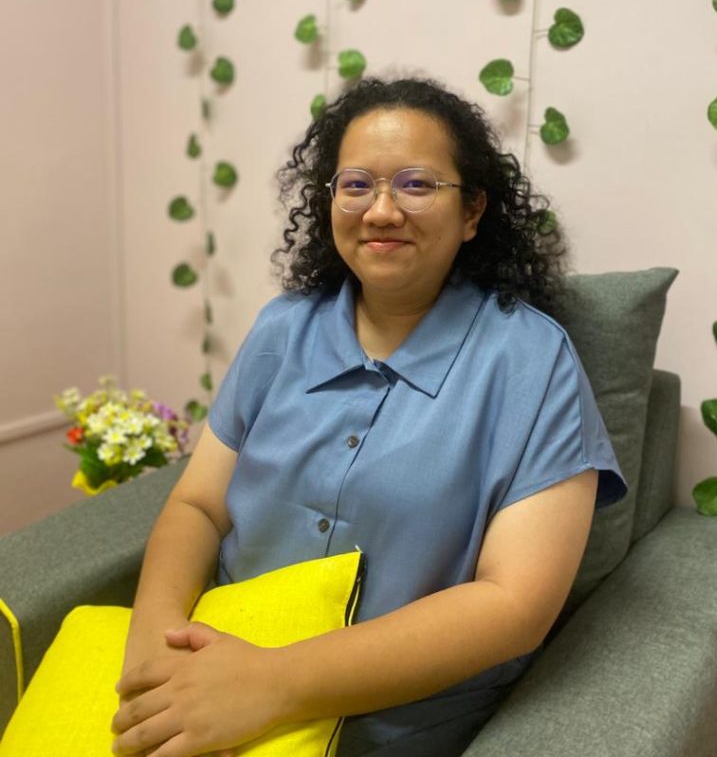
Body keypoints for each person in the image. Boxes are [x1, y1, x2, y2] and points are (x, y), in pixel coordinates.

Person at [112, 75, 627, 757]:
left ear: (472, 211)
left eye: (416, 185)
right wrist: (153, 644)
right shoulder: (281, 329)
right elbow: (199, 506)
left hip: (393, 723)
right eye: (355, 185)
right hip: (211, 671)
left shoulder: (531, 359)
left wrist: (271, 684)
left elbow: (514, 605)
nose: (381, 211)